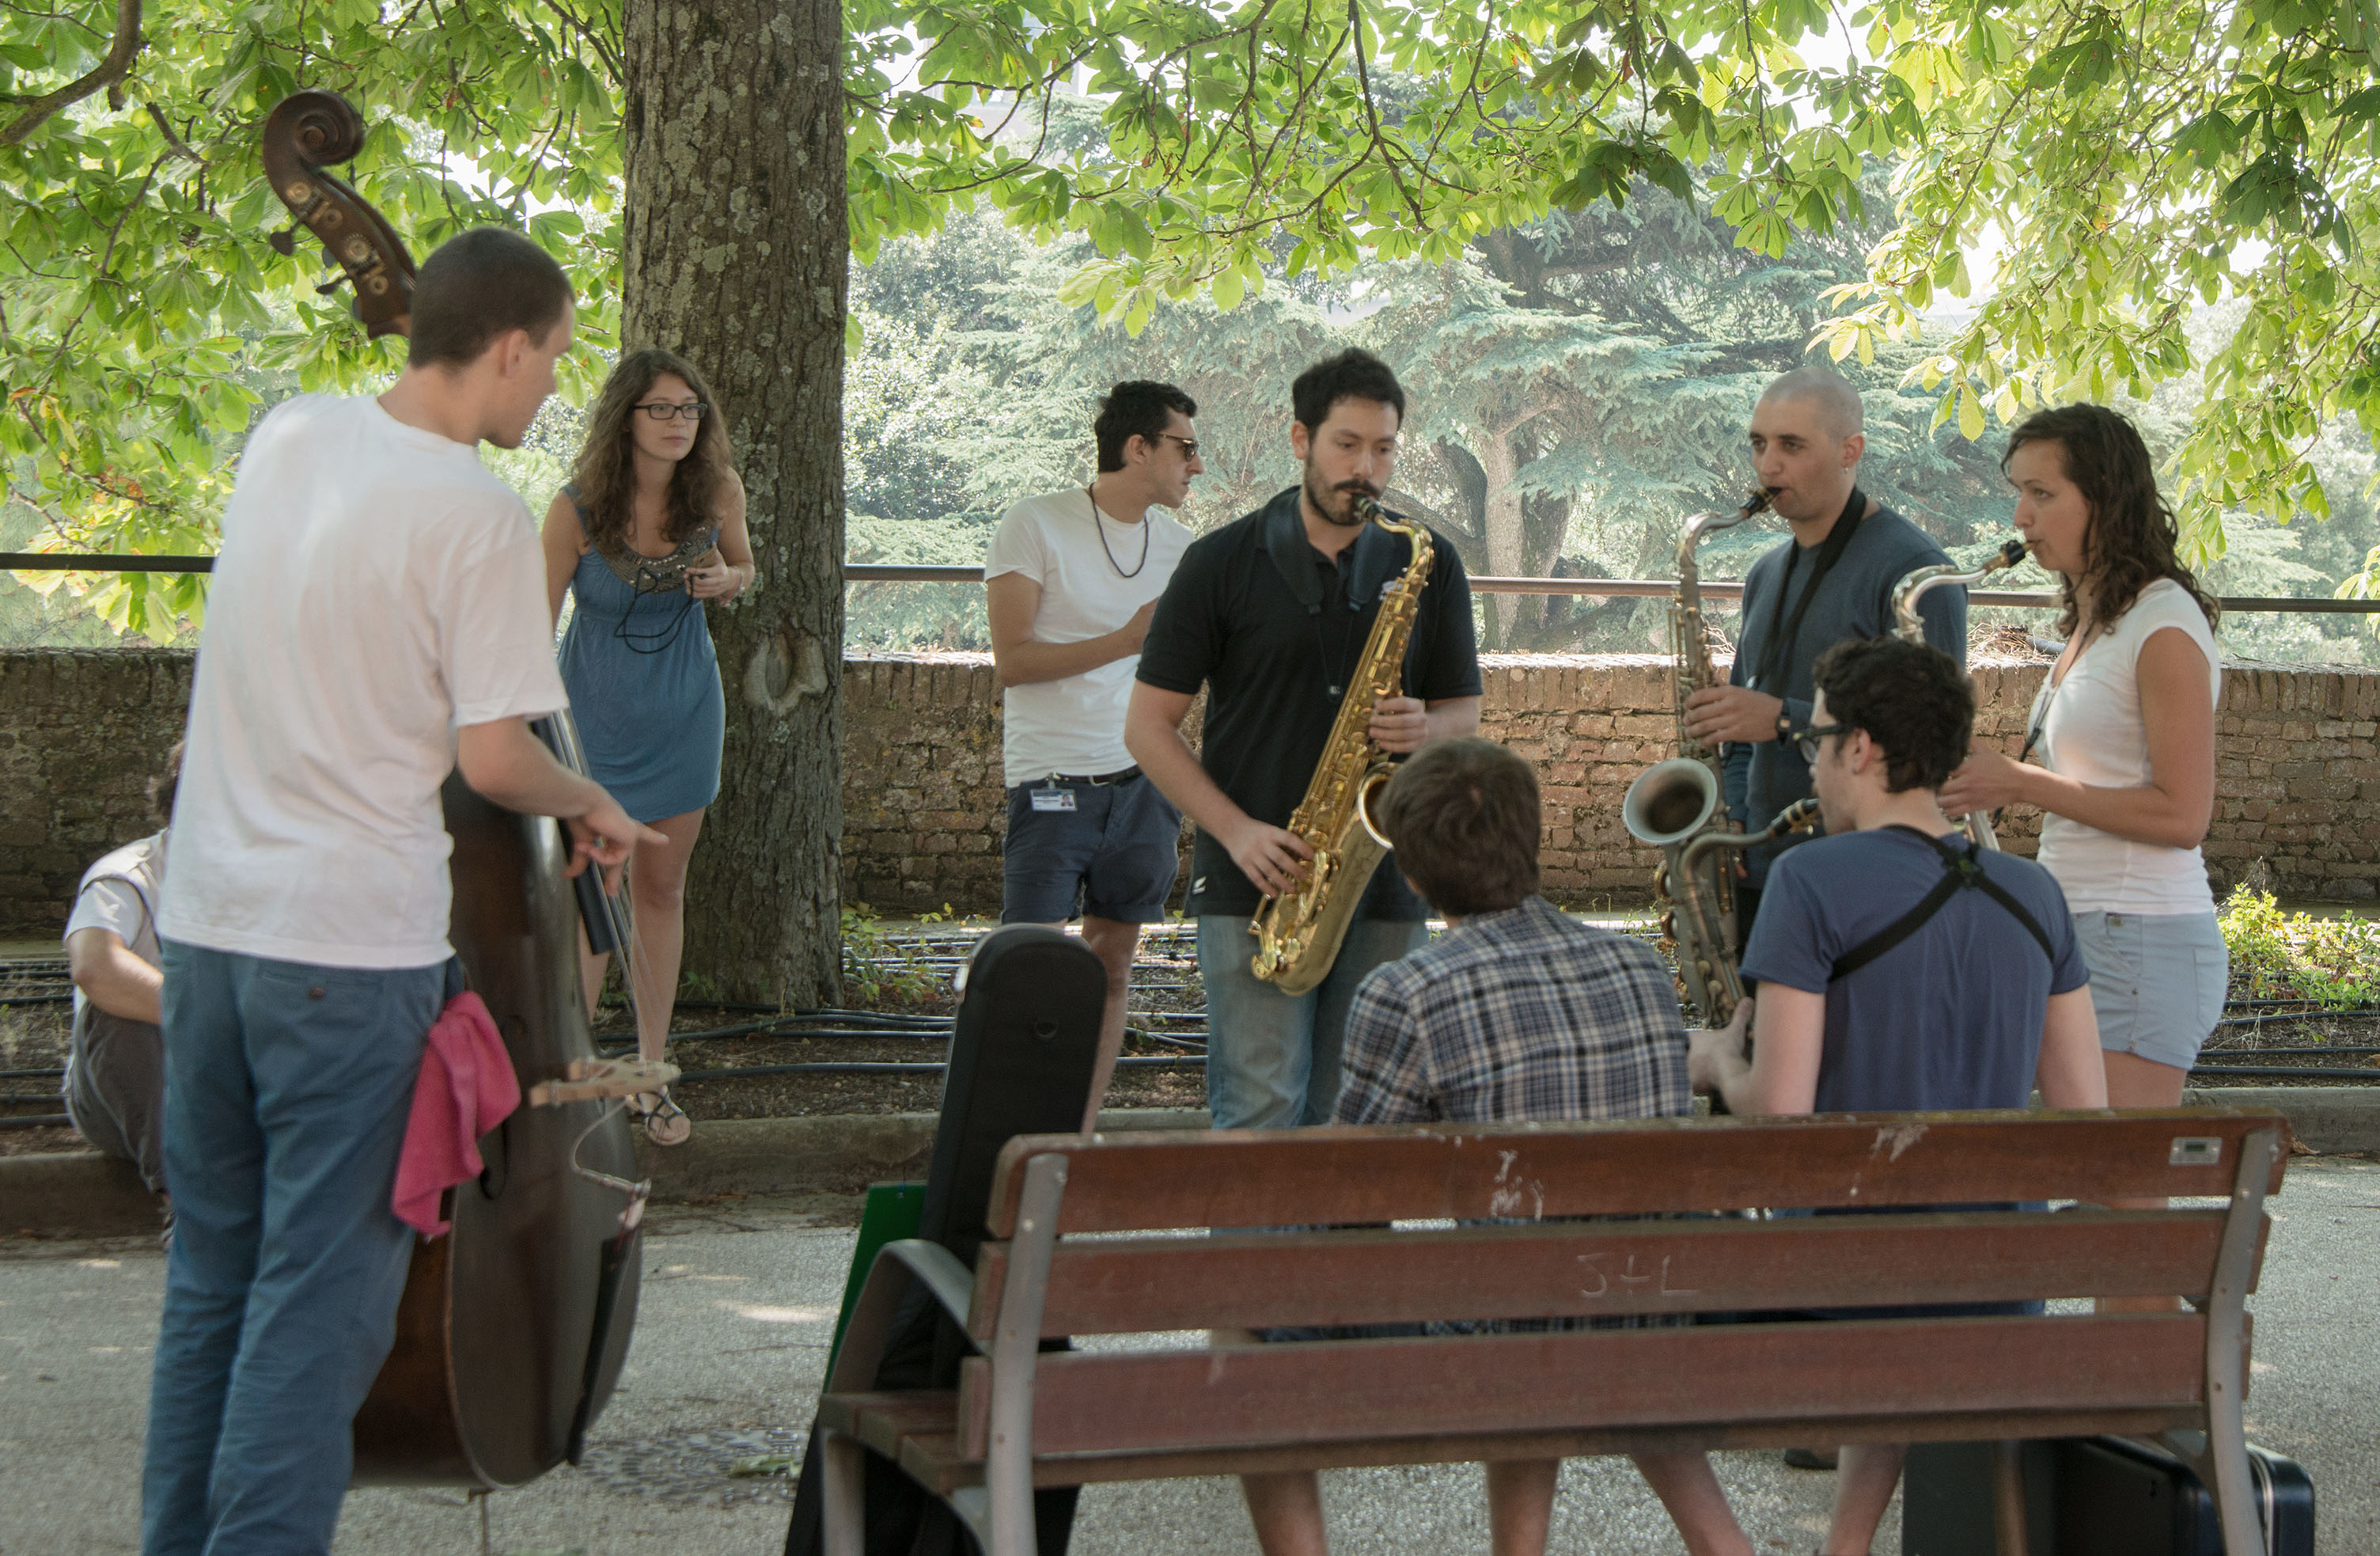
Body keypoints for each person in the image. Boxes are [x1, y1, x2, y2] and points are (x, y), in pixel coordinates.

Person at [146, 227, 663, 1556]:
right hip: (345, 953)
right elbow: (495, 756)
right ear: (504, 348)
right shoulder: (477, 515)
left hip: (205, 931)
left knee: (212, 1285)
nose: (550, 389)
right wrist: (592, 800)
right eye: (548, 362)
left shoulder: (289, 437)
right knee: (320, 1310)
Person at [1235, 737, 1757, 1556]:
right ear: (1533, 841)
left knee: (1246, 1311)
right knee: (1540, 1282)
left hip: (1508, 1342)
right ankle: (1718, 1541)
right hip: (1648, 1315)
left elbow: (1348, 1201)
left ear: (1409, 874)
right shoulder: (1637, 969)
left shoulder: (1407, 990)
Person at [1688, 635, 2108, 1556]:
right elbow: (2088, 1125)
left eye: (1816, 741)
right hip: (1996, 1293)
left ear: (1862, 748)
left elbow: (1779, 1113)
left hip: (1841, 1292)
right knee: (1915, 1294)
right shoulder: (2034, 894)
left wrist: (1715, 1064)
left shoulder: (1808, 880)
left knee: (1640, 1336)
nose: (1812, 764)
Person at [1127, 348, 1482, 1130]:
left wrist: (1427, 725)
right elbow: (1147, 728)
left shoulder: (1426, 560)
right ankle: (1253, 1260)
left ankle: (1341, 1260)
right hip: (1256, 880)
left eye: (1382, 449)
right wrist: (1235, 832)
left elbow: (1465, 713)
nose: (1366, 468)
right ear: (1300, 439)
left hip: (1385, 883)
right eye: (1345, 445)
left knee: (1356, 1122)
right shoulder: (1217, 562)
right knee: (1259, 1113)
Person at [1938, 403, 2226, 1121]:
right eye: (2019, 491)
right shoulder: (2102, 620)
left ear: (2106, 498)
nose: (2020, 517)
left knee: (2117, 1202)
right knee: (2082, 1196)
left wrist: (2019, 781)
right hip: (2089, 927)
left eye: (2043, 494)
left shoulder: (2163, 626)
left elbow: (2185, 815)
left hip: (2140, 936)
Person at [543, 347, 753, 1140]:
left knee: (660, 892)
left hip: (683, 714)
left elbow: (746, 566)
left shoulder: (716, 491)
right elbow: (531, 632)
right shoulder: (575, 509)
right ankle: (577, 1072)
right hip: (592, 721)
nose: (676, 423)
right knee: (594, 893)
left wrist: (729, 581)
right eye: (660, 408)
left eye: (689, 409)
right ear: (624, 417)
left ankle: (649, 1075)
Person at [1681, 368, 1966, 939]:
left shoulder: (1914, 573)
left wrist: (1784, 718)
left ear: (1849, 451)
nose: (1767, 466)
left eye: (1791, 445)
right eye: (1759, 444)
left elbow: (1928, 742)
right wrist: (1733, 818)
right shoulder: (1765, 574)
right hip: (1761, 867)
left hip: (1865, 878)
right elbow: (1739, 730)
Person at [984, 381, 1200, 1129]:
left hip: (1146, 783)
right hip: (1052, 782)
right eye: (1184, 447)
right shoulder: (1035, 524)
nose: (1195, 467)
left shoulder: (1180, 549)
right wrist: (1129, 638)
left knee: (1112, 968)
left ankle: (1074, 1134)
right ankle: (1006, 1136)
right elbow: (1013, 661)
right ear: (1137, 448)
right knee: (1030, 975)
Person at [62, 744, 180, 1206]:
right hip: (133, 1089)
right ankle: (183, 1201)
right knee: (114, 1010)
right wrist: (211, 1015)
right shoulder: (127, 875)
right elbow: (95, 967)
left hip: (233, 1079)